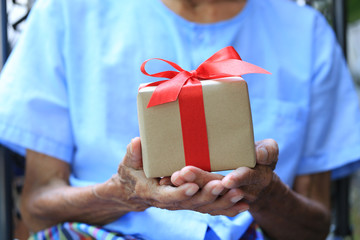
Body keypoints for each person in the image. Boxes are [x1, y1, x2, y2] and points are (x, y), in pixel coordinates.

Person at [1, 0, 360, 239]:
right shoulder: (68, 12)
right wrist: (124, 195)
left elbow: (315, 227)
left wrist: (266, 195)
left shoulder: (306, 32)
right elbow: (35, 209)